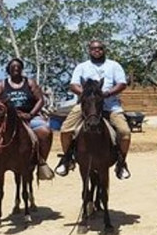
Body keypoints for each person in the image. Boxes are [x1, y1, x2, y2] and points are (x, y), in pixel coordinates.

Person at [54, 39, 132, 180]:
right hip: (86, 106)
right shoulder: (82, 67)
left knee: (124, 132)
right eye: (94, 49)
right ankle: (67, 159)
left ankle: (121, 162)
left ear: (104, 50)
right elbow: (73, 85)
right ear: (89, 51)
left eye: (100, 48)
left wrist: (106, 93)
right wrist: (86, 94)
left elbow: (122, 84)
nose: (97, 51)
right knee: (65, 130)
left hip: (110, 105)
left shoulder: (114, 66)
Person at [0, 58, 55, 181]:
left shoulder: (30, 83)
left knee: (46, 132)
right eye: (13, 68)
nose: (16, 70)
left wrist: (31, 114)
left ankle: (41, 162)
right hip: (8, 118)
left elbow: (40, 100)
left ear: (22, 69)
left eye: (18, 67)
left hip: (29, 117)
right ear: (9, 70)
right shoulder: (2, 84)